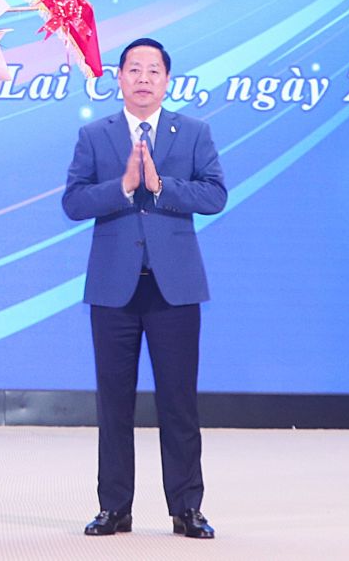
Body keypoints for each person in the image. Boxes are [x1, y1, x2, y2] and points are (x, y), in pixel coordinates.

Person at [62, 37, 226, 540]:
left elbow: (215, 195)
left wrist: (160, 186)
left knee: (179, 403)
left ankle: (187, 508)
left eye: (154, 70)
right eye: (134, 69)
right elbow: (73, 202)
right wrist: (123, 186)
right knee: (114, 404)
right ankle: (114, 508)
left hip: (175, 290)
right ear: (119, 77)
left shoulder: (194, 132)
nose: (143, 79)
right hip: (113, 289)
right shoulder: (95, 135)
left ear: (167, 80)